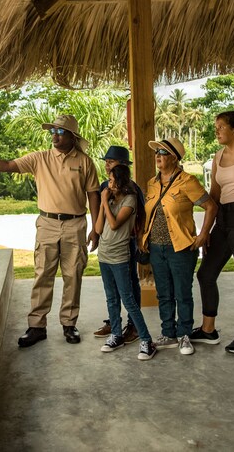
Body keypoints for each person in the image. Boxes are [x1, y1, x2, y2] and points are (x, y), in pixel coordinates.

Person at [0, 114, 100, 347]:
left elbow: (93, 194)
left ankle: (69, 325)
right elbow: (9, 165)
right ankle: (37, 326)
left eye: (60, 132)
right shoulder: (40, 159)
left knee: (73, 275)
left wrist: (96, 228)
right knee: (43, 274)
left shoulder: (84, 162)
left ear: (72, 136)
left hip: (75, 225)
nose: (54, 135)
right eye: (52, 131)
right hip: (47, 224)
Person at [140, 138, 217, 355]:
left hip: (181, 246)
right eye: (157, 152)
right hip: (156, 247)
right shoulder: (152, 183)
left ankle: (184, 335)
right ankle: (168, 333)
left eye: (163, 152)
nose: (158, 156)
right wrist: (142, 237)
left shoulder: (187, 181)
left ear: (174, 157)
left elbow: (211, 206)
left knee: (183, 293)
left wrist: (203, 234)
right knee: (164, 293)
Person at [192, 112, 234, 353]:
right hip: (223, 219)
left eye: (221, 126)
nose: (217, 130)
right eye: (215, 126)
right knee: (206, 273)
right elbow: (215, 195)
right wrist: (207, 230)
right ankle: (208, 329)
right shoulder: (218, 156)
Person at [95, 163, 156, 360]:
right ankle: (116, 334)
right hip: (104, 255)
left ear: (121, 182)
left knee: (128, 300)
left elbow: (114, 225)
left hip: (119, 256)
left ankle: (146, 340)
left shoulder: (130, 200)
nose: (109, 184)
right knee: (111, 297)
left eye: (112, 181)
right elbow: (98, 229)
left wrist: (104, 202)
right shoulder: (110, 200)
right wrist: (104, 203)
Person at [92, 146, 145, 344]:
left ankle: (133, 325)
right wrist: (96, 235)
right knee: (111, 288)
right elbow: (100, 214)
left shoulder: (133, 189)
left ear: (122, 165)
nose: (107, 166)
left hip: (126, 241)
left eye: (111, 162)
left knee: (130, 283)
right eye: (106, 162)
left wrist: (140, 238)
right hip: (108, 241)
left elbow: (141, 216)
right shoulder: (106, 186)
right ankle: (113, 322)